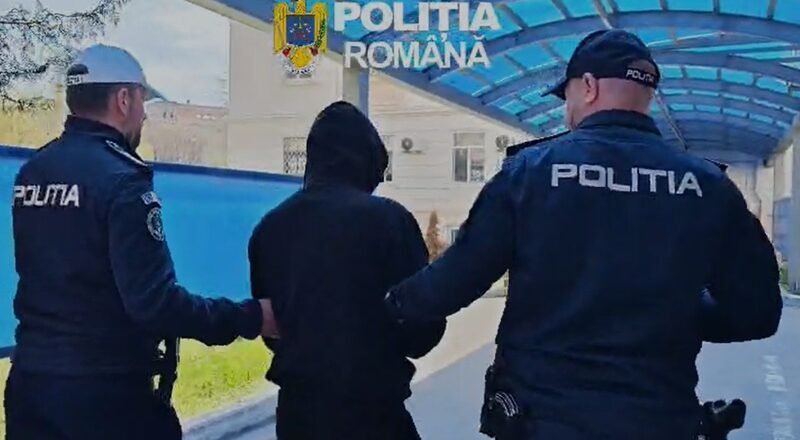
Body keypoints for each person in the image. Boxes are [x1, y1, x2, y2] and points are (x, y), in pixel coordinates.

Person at [384, 29, 782, 440]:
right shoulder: (709, 186)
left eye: (567, 96)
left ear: (589, 86)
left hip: (543, 420)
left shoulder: (530, 174)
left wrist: (392, 302)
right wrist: (677, 310)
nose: (566, 112)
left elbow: (454, 282)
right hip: (658, 419)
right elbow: (758, 312)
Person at [6, 44, 278, 440]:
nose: (144, 114)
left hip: (31, 389)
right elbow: (154, 304)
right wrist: (250, 317)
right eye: (141, 101)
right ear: (123, 99)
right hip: (104, 399)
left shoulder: (34, 171)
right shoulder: (122, 180)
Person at [248, 101, 446, 440]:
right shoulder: (390, 221)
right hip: (375, 418)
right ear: (368, 162)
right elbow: (422, 332)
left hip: (297, 420)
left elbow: (272, 329)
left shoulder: (269, 228)